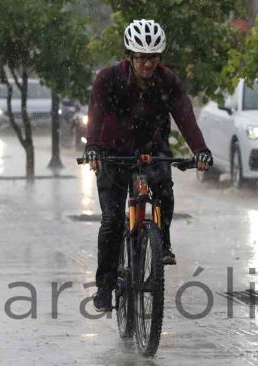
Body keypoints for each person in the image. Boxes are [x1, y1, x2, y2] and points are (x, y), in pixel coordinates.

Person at [83, 19, 213, 311]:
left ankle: (161, 242)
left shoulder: (168, 81)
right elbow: (96, 113)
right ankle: (105, 286)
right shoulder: (108, 78)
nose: (147, 64)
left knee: (164, 188)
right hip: (111, 151)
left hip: (151, 147)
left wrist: (201, 150)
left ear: (160, 58)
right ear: (130, 55)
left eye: (153, 57)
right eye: (141, 57)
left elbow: (185, 117)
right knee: (112, 221)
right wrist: (92, 147)